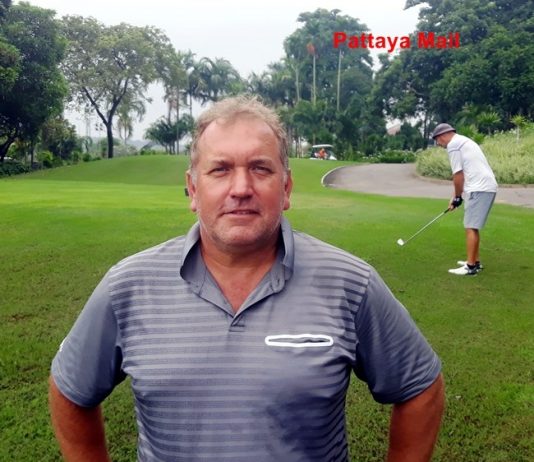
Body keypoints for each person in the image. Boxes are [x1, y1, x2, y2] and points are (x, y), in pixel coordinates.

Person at [50, 96, 445, 461]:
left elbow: (420, 387)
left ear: (286, 188)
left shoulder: (350, 283)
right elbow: (70, 390)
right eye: (220, 170)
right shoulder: (127, 286)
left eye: (260, 168)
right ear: (193, 189)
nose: (241, 188)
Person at [432, 123, 498, 276]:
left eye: (437, 140)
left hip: (479, 188)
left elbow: (458, 175)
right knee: (472, 226)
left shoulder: (453, 145)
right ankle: (474, 261)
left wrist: (457, 197)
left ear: (442, 136)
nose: (438, 144)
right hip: (482, 187)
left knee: (470, 227)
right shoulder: (463, 141)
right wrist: (457, 196)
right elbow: (464, 174)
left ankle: (470, 267)